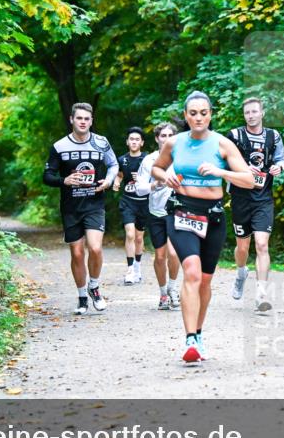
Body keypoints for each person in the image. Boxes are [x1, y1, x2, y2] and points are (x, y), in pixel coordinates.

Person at [151, 91, 255, 362]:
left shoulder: (222, 144)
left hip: (213, 217)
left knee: (206, 281)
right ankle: (189, 341)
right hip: (182, 213)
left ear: (210, 115)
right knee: (192, 272)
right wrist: (167, 177)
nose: (198, 118)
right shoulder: (174, 143)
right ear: (186, 116)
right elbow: (157, 169)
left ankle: (198, 333)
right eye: (193, 113)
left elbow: (249, 180)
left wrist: (221, 173)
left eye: (203, 113)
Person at [43, 102, 119, 315]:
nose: (83, 122)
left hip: (94, 204)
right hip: (71, 207)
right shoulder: (60, 147)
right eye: (79, 118)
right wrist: (64, 180)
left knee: (95, 248)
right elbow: (47, 176)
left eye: (87, 119)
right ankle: (82, 297)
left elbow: (113, 164)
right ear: (72, 120)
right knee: (77, 253)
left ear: (91, 121)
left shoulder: (101, 143)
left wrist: (109, 180)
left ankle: (94, 287)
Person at [226, 97, 284, 312]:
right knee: (243, 247)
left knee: (261, 244)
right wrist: (241, 169)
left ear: (262, 113)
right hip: (240, 198)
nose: (250, 116)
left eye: (254, 112)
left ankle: (261, 294)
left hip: (263, 198)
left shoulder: (273, 136)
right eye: (247, 113)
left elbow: (281, 159)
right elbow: (222, 159)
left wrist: (279, 167)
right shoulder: (235, 135)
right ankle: (241, 272)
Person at [135, 122, 182, 310]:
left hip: (177, 211)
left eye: (171, 135)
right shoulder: (149, 160)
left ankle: (173, 288)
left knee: (173, 253)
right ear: (157, 138)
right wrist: (155, 185)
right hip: (156, 213)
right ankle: (163, 293)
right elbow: (139, 189)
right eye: (163, 135)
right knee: (160, 256)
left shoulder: (181, 158)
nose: (167, 138)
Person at [113, 127, 150, 285]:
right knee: (130, 235)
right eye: (131, 139)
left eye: (137, 139)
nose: (134, 142)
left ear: (141, 142)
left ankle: (138, 267)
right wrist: (116, 181)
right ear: (127, 142)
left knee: (139, 238)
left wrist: (141, 178)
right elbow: (120, 174)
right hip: (128, 202)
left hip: (144, 202)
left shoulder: (148, 159)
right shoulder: (122, 159)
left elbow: (156, 177)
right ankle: (129, 270)